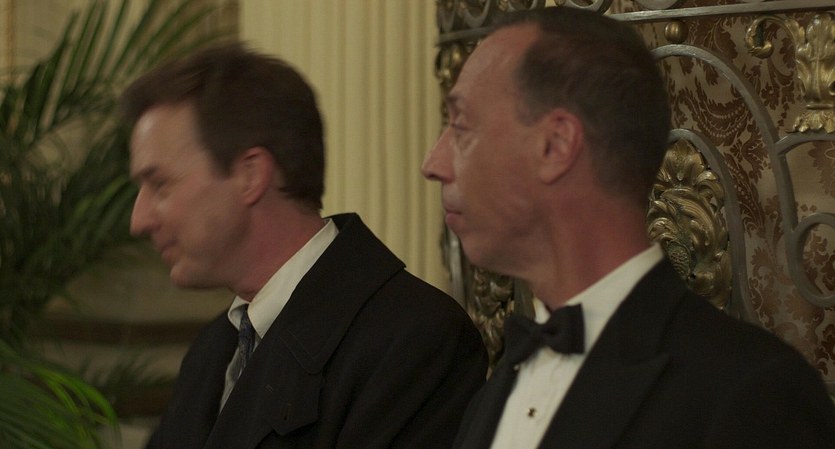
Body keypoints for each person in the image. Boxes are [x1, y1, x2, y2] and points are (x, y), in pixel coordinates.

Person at [421, 7, 835, 449]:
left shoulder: (752, 395)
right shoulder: (496, 391)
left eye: (461, 127)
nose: (433, 164)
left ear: (556, 146)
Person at [121, 42, 487, 449]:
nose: (139, 220)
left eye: (160, 184)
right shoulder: (211, 351)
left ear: (250, 175)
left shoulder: (416, 342)